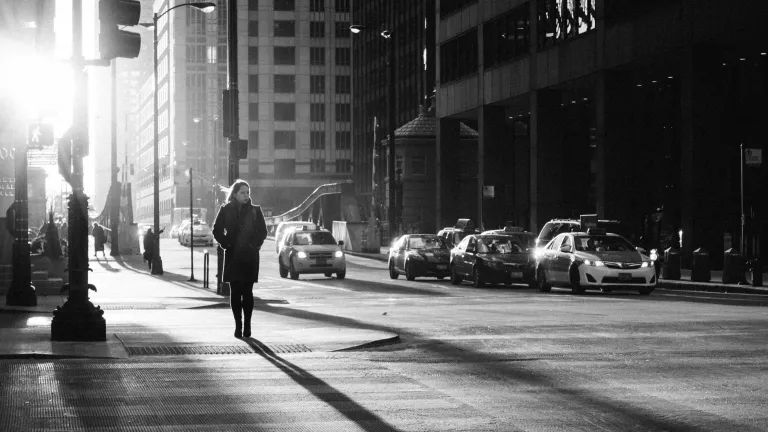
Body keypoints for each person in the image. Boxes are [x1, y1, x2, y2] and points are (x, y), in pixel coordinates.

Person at [213, 179, 267, 339]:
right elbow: (216, 230)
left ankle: (248, 325)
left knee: (248, 292)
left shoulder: (255, 211)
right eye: (242, 192)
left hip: (250, 256)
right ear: (235, 194)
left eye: (247, 192)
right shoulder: (226, 209)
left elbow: (262, 231)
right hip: (232, 255)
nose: (246, 195)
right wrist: (225, 243)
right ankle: (238, 325)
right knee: (235, 292)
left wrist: (254, 245)